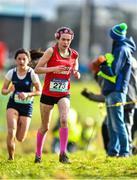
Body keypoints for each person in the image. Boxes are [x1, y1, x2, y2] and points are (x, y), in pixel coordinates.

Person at [34, 27, 80, 163]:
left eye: (68, 40)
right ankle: (38, 155)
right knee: (45, 127)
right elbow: (37, 69)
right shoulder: (51, 51)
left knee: (64, 120)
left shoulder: (74, 54)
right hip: (48, 93)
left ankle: (63, 154)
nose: (65, 42)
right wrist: (54, 69)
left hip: (64, 93)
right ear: (58, 39)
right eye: (63, 39)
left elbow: (76, 69)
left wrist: (77, 73)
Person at [81, 56, 137, 155]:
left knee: (117, 126)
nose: (92, 71)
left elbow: (106, 96)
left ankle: (124, 150)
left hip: (123, 103)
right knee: (122, 126)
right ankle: (122, 150)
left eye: (93, 69)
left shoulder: (101, 75)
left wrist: (90, 96)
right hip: (128, 101)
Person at [98, 23, 136, 157]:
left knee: (118, 123)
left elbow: (113, 71)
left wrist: (102, 64)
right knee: (110, 124)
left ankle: (125, 151)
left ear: (115, 36)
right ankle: (113, 151)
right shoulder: (119, 47)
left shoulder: (122, 49)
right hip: (111, 91)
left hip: (117, 92)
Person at [1, 49, 42, 160]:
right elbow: (3, 90)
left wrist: (28, 94)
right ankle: (11, 158)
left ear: (28, 60)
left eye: (24, 59)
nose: (21, 61)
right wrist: (9, 90)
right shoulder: (11, 73)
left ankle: (19, 122)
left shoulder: (32, 74)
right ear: (15, 60)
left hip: (27, 107)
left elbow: (39, 91)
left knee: (20, 138)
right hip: (13, 105)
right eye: (19, 59)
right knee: (11, 132)